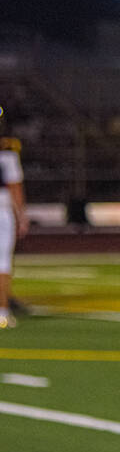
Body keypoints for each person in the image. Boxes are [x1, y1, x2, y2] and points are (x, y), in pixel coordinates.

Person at [0, 107, 28, 328]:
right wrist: (22, 216)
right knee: (2, 263)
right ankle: (2, 311)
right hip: (2, 210)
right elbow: (15, 188)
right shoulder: (7, 153)